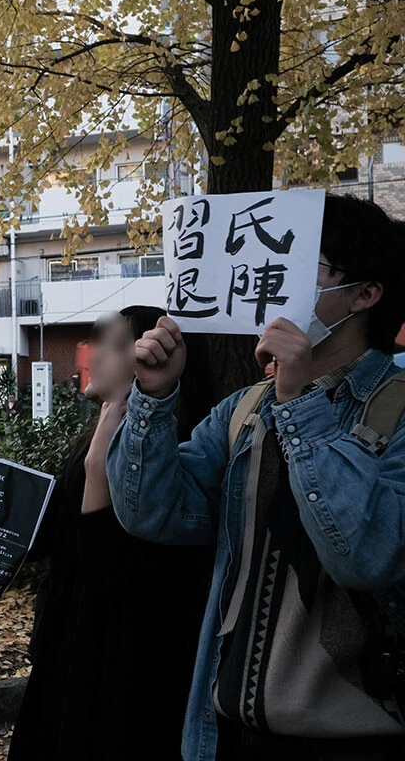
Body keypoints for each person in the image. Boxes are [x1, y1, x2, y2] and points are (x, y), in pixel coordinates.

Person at [108, 194, 405, 760]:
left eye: (304, 268)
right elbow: (152, 513)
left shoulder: (398, 411)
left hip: (360, 737)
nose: (277, 283)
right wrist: (153, 396)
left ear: (365, 294)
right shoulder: (244, 410)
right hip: (230, 729)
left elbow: (366, 556)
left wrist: (299, 402)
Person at [0, 307, 214, 760]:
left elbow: (111, 573)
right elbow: (48, 540)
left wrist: (97, 472)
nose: (92, 352)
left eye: (112, 343)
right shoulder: (96, 434)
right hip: (69, 654)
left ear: (152, 360)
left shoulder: (171, 447)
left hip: (125, 675)